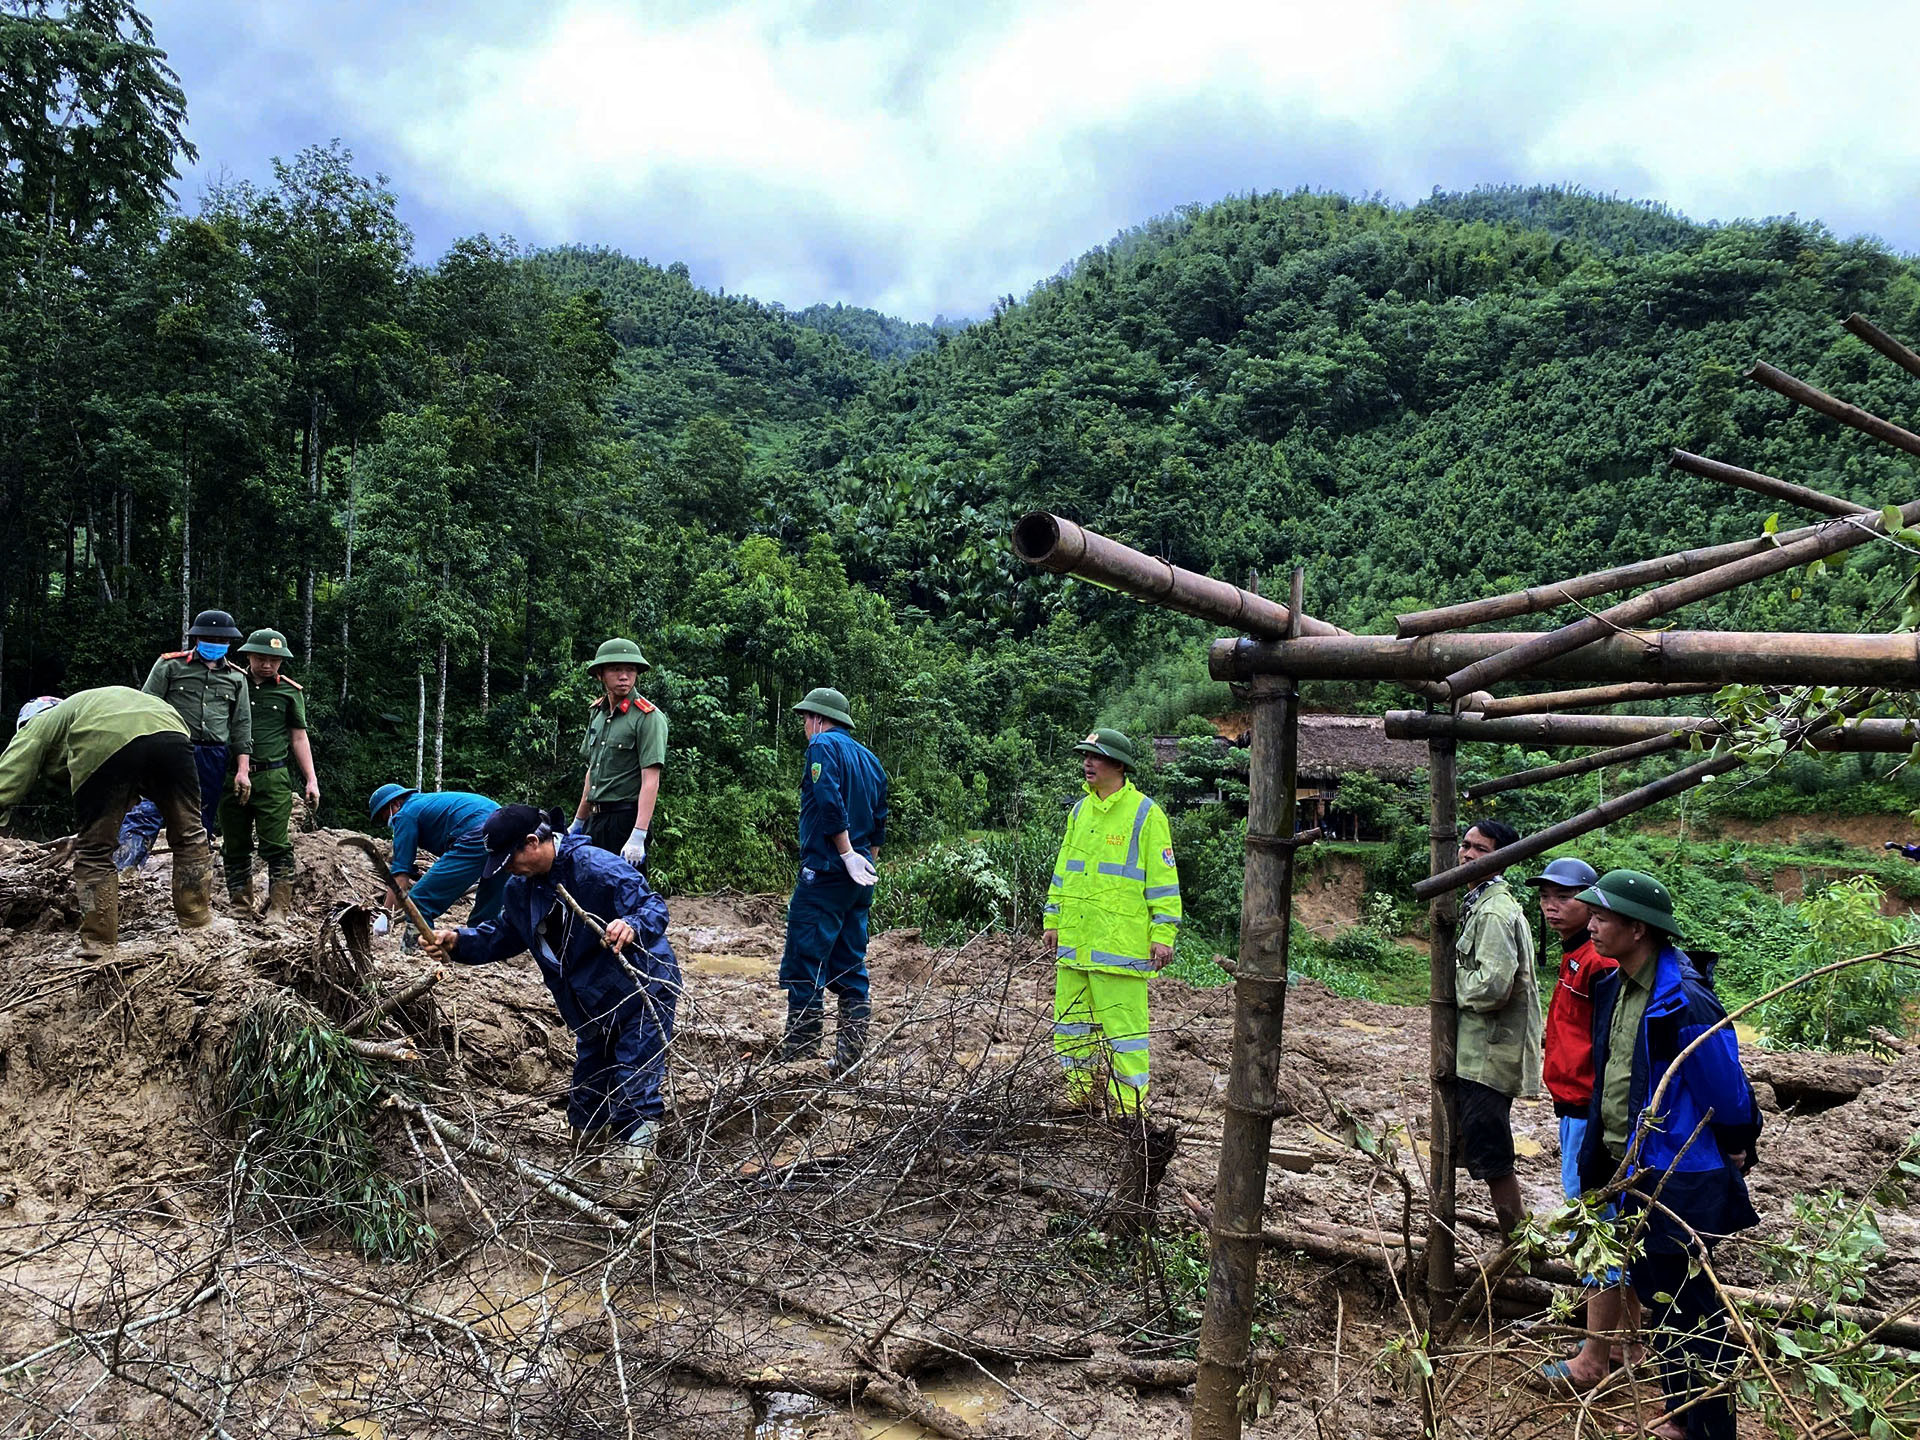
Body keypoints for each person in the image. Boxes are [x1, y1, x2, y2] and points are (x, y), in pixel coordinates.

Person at [1577, 869, 1760, 1440]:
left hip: (1678, 1173)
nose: (1593, 925)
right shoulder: (1616, 986)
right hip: (1629, 1166)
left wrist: (1735, 1143)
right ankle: (1684, 1414)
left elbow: (1725, 1092)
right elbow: (1612, 1078)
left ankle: (1707, 1426)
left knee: (1688, 1307)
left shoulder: (1685, 1000)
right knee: (1658, 1293)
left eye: (1604, 917)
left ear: (1639, 929)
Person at [423, 804, 679, 1199]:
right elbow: (505, 934)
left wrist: (630, 925)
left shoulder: (596, 868)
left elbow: (652, 907)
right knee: (588, 1089)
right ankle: (586, 1175)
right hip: (588, 1004)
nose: (508, 869)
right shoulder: (520, 887)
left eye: (510, 860)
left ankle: (636, 1189)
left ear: (533, 843)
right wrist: (459, 942)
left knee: (633, 1084)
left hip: (642, 991)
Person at [1523, 856, 1639, 1393]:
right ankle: (1627, 1344)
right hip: (1574, 1107)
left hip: (1590, 1113)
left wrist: (1596, 1116)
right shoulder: (1575, 956)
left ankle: (1595, 1359)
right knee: (1614, 1223)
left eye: (1564, 896)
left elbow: (1615, 1048)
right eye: (1546, 894)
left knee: (1596, 1228)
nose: (1552, 904)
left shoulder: (1600, 962)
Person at [0, 688, 214, 951]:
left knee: (94, 854)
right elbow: (124, 797)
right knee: (190, 834)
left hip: (107, 739)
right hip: (172, 730)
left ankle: (98, 944)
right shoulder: (90, 706)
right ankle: (198, 925)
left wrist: (89, 839)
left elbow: (5, 782)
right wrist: (81, 836)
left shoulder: (38, 725)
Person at [1043, 729, 1181, 1116]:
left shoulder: (1145, 814)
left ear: (1119, 765)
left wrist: (1163, 933)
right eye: (1085, 755)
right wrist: (1052, 918)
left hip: (1119, 947)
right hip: (1075, 943)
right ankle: (1079, 1097)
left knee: (1126, 1034)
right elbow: (1063, 872)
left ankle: (1128, 1110)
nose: (1088, 763)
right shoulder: (1079, 812)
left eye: (1097, 756)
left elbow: (1164, 881)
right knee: (1070, 1027)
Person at [778, 687, 888, 1075]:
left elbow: (828, 800)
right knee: (849, 963)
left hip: (825, 871)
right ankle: (850, 1058)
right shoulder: (872, 761)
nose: (806, 727)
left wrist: (844, 853)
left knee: (805, 958)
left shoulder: (822, 746)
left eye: (807, 719)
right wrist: (864, 865)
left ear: (819, 720)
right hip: (857, 882)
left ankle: (800, 1055)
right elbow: (879, 822)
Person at [1451, 819, 1544, 1239]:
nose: (1467, 855)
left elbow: (1492, 986)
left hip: (1488, 1056)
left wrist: (1451, 986)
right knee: (1481, 1146)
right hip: (1479, 1054)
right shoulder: (1481, 902)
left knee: (1493, 1155)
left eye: (1480, 850)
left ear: (1502, 859)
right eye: (1465, 846)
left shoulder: (1492, 912)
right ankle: (1516, 1239)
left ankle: (1517, 1243)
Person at [116, 609, 253, 872]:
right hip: (171, 748)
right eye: (208, 639)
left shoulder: (236, 679)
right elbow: (145, 708)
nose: (214, 644)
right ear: (197, 639)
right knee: (149, 809)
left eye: (220, 640)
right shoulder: (170, 665)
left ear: (229, 643)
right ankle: (124, 869)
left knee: (198, 821)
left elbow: (241, 725)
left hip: (213, 754)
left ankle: (193, 883)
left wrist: (243, 770)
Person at [219, 629, 319, 921]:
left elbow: (299, 738)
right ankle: (240, 906)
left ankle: (279, 908)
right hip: (231, 776)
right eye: (261, 658)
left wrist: (310, 779)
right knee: (234, 843)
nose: (267, 665)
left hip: (272, 776)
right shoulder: (233, 682)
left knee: (276, 844)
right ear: (248, 655)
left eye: (274, 660)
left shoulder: (290, 692)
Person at [571, 638, 667, 870]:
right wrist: (578, 821)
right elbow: (592, 772)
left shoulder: (647, 717)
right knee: (590, 892)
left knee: (626, 896)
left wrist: (638, 834)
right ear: (600, 674)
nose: (624, 676)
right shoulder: (598, 713)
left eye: (630, 670)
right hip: (596, 819)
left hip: (625, 820)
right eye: (615, 669)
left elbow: (651, 779)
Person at [367, 784, 504, 938]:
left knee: (419, 902)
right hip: (505, 831)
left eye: (385, 817)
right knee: (490, 900)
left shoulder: (405, 814)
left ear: (396, 803)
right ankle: (482, 946)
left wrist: (385, 914)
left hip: (477, 834)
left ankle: (414, 951)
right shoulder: (425, 804)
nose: (389, 823)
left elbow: (400, 874)